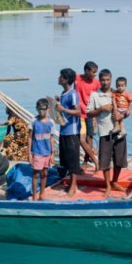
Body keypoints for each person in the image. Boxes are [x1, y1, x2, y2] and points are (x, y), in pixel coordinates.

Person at [87, 69, 126, 197]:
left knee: (119, 160)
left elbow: (127, 107)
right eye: (103, 80)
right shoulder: (94, 95)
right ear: (100, 80)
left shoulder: (117, 93)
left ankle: (114, 181)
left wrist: (122, 116)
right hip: (104, 132)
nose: (105, 82)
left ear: (111, 79)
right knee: (105, 162)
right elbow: (88, 113)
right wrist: (101, 109)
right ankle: (108, 186)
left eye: (107, 80)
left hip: (119, 131)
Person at [55, 68, 83, 197]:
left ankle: (73, 186)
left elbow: (78, 112)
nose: (58, 78)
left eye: (60, 76)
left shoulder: (73, 94)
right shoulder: (63, 93)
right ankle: (72, 183)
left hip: (71, 131)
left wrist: (64, 109)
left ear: (65, 79)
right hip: (63, 130)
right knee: (65, 159)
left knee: (73, 160)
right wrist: (58, 103)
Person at [28, 98, 55, 201]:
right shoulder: (33, 121)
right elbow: (30, 137)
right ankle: (34, 195)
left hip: (47, 152)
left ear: (47, 109)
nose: (41, 111)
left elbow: (52, 138)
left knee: (45, 174)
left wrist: (53, 153)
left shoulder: (51, 122)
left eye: (43, 109)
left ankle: (42, 193)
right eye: (39, 109)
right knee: (36, 174)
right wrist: (29, 153)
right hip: (37, 152)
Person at [76, 61, 101, 166]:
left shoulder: (96, 83)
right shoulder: (76, 78)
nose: (95, 75)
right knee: (81, 139)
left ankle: (86, 161)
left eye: (96, 72)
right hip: (79, 114)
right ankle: (95, 160)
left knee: (89, 137)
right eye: (93, 72)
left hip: (91, 114)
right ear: (87, 71)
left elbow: (101, 95)